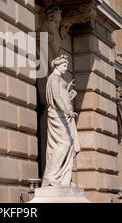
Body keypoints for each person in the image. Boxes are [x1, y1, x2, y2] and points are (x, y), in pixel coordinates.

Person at [42, 55, 80, 187]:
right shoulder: (53, 78)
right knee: (64, 143)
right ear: (57, 66)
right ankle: (52, 176)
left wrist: (69, 91)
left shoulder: (59, 79)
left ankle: (64, 178)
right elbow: (57, 98)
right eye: (64, 65)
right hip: (58, 116)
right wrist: (67, 110)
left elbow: (62, 96)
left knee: (69, 145)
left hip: (64, 115)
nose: (66, 68)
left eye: (67, 65)